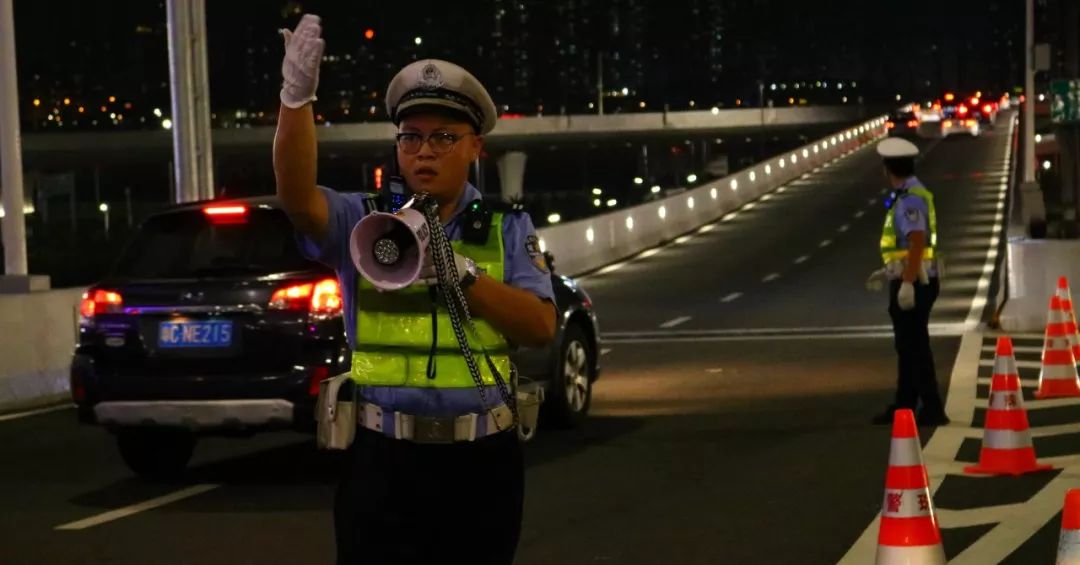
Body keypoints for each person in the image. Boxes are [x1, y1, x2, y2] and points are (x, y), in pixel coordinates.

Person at [274, 15, 557, 564]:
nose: (423, 151)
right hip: (381, 459)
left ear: (476, 146)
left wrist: (461, 274)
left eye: (443, 137)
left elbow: (541, 327)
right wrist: (296, 99)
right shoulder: (365, 221)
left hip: (481, 459)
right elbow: (296, 198)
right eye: (411, 136)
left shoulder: (505, 227)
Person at [866, 138, 950, 427]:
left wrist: (907, 283)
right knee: (908, 345)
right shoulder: (911, 193)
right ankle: (905, 405)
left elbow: (917, 242)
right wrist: (888, 271)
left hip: (915, 282)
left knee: (914, 346)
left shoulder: (910, 199)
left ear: (888, 169)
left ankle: (932, 407)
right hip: (912, 277)